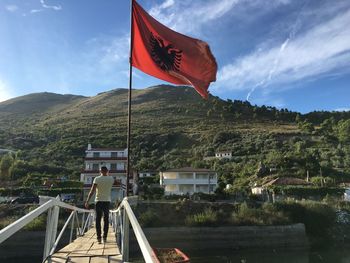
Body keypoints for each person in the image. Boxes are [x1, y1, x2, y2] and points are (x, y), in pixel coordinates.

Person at [85, 166, 114, 243]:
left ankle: (99, 238)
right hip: (107, 201)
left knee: (98, 219)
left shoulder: (97, 179)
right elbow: (114, 182)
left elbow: (92, 191)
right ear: (107, 171)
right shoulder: (111, 179)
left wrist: (87, 201)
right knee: (106, 219)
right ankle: (105, 237)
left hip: (98, 201)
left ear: (100, 171)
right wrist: (108, 174)